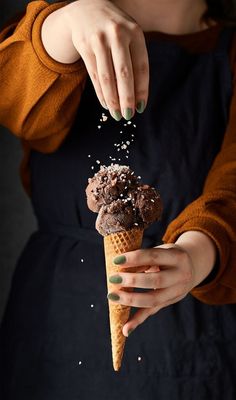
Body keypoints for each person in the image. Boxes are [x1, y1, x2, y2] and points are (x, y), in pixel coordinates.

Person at [0, 0, 236, 398]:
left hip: (192, 335)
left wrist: (198, 255)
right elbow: (12, 101)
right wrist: (63, 25)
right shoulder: (55, 31)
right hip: (54, 320)